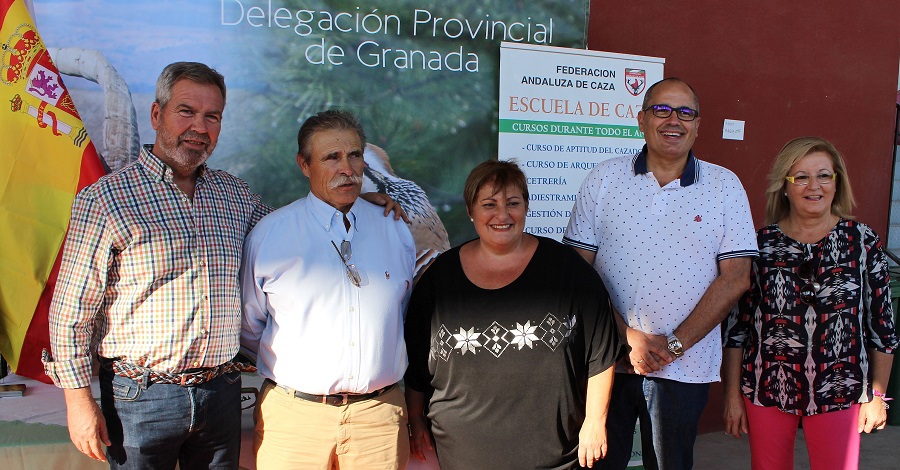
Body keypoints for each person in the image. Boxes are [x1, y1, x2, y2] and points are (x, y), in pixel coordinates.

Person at [42, 63, 403, 469]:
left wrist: (356, 202)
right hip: (140, 399)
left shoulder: (233, 195)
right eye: (186, 112)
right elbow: (70, 313)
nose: (199, 126)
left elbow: (303, 228)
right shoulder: (106, 200)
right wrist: (78, 402)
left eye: (211, 116)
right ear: (157, 115)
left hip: (221, 394)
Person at [563, 77, 758, 469]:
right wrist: (627, 337)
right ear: (641, 119)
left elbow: (736, 277)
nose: (674, 120)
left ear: (698, 124)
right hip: (606, 361)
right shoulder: (604, 178)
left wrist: (674, 345)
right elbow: (576, 272)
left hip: (684, 367)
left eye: (686, 112)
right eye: (662, 109)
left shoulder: (724, 186)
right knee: (597, 462)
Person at [404, 160, 623, 470]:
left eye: (513, 203)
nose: (502, 215)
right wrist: (415, 420)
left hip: (554, 457)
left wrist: (595, 422)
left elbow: (602, 353)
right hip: (461, 456)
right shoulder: (439, 280)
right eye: (489, 204)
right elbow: (416, 367)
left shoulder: (568, 271)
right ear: (471, 211)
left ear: (526, 207)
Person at [240, 110, 415, 469]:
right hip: (294, 420)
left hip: (379, 420)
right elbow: (250, 327)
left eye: (354, 155)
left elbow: (402, 311)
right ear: (304, 165)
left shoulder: (394, 227)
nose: (347, 168)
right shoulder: (271, 235)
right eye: (331, 157)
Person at [722, 136, 898, 470]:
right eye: (800, 176)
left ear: (837, 183)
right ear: (784, 186)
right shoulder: (761, 244)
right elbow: (736, 328)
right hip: (768, 385)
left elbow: (883, 328)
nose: (813, 186)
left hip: (840, 386)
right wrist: (732, 394)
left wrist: (877, 397)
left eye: (824, 175)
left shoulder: (862, 242)